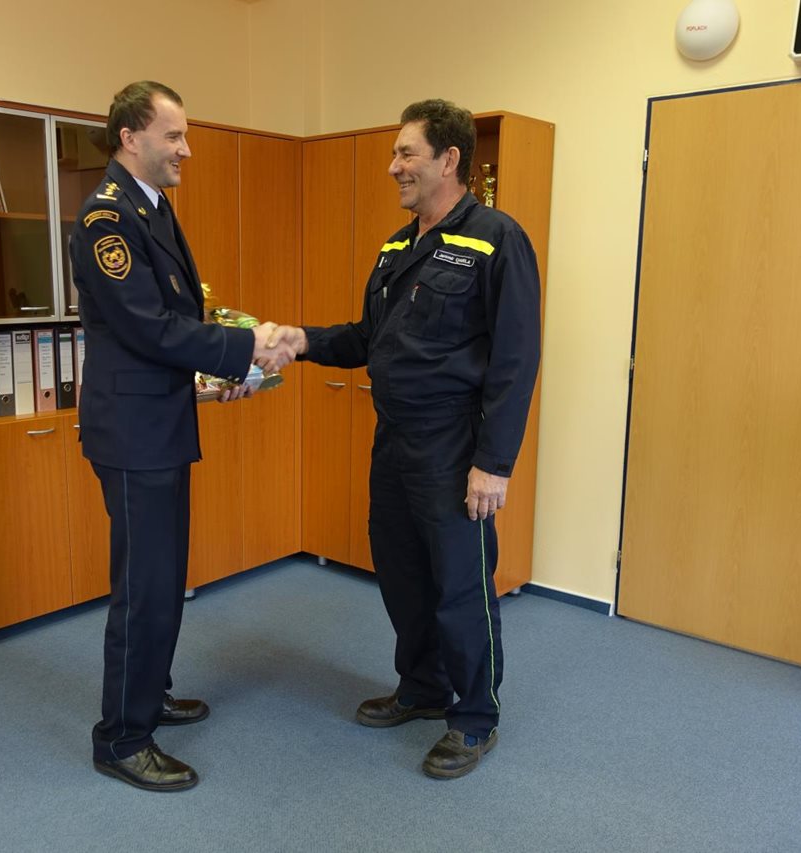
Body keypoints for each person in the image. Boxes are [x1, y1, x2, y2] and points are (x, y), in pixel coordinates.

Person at [267, 99, 541, 778]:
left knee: (460, 584)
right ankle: (422, 687)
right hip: (394, 440)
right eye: (395, 154)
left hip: (454, 444)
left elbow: (516, 360)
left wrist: (493, 463)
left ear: (449, 159)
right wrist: (301, 340)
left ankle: (473, 717)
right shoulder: (397, 246)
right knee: (402, 572)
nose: (394, 167)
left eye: (406, 153)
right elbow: (368, 339)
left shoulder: (497, 239)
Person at [69, 80, 289, 792]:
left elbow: (170, 330)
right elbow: (148, 327)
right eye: (173, 136)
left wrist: (219, 374)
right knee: (144, 588)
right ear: (130, 137)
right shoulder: (106, 219)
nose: (186, 149)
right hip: (134, 434)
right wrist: (245, 347)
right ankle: (122, 738)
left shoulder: (151, 208)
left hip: (159, 422)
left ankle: (149, 693)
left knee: (164, 581)